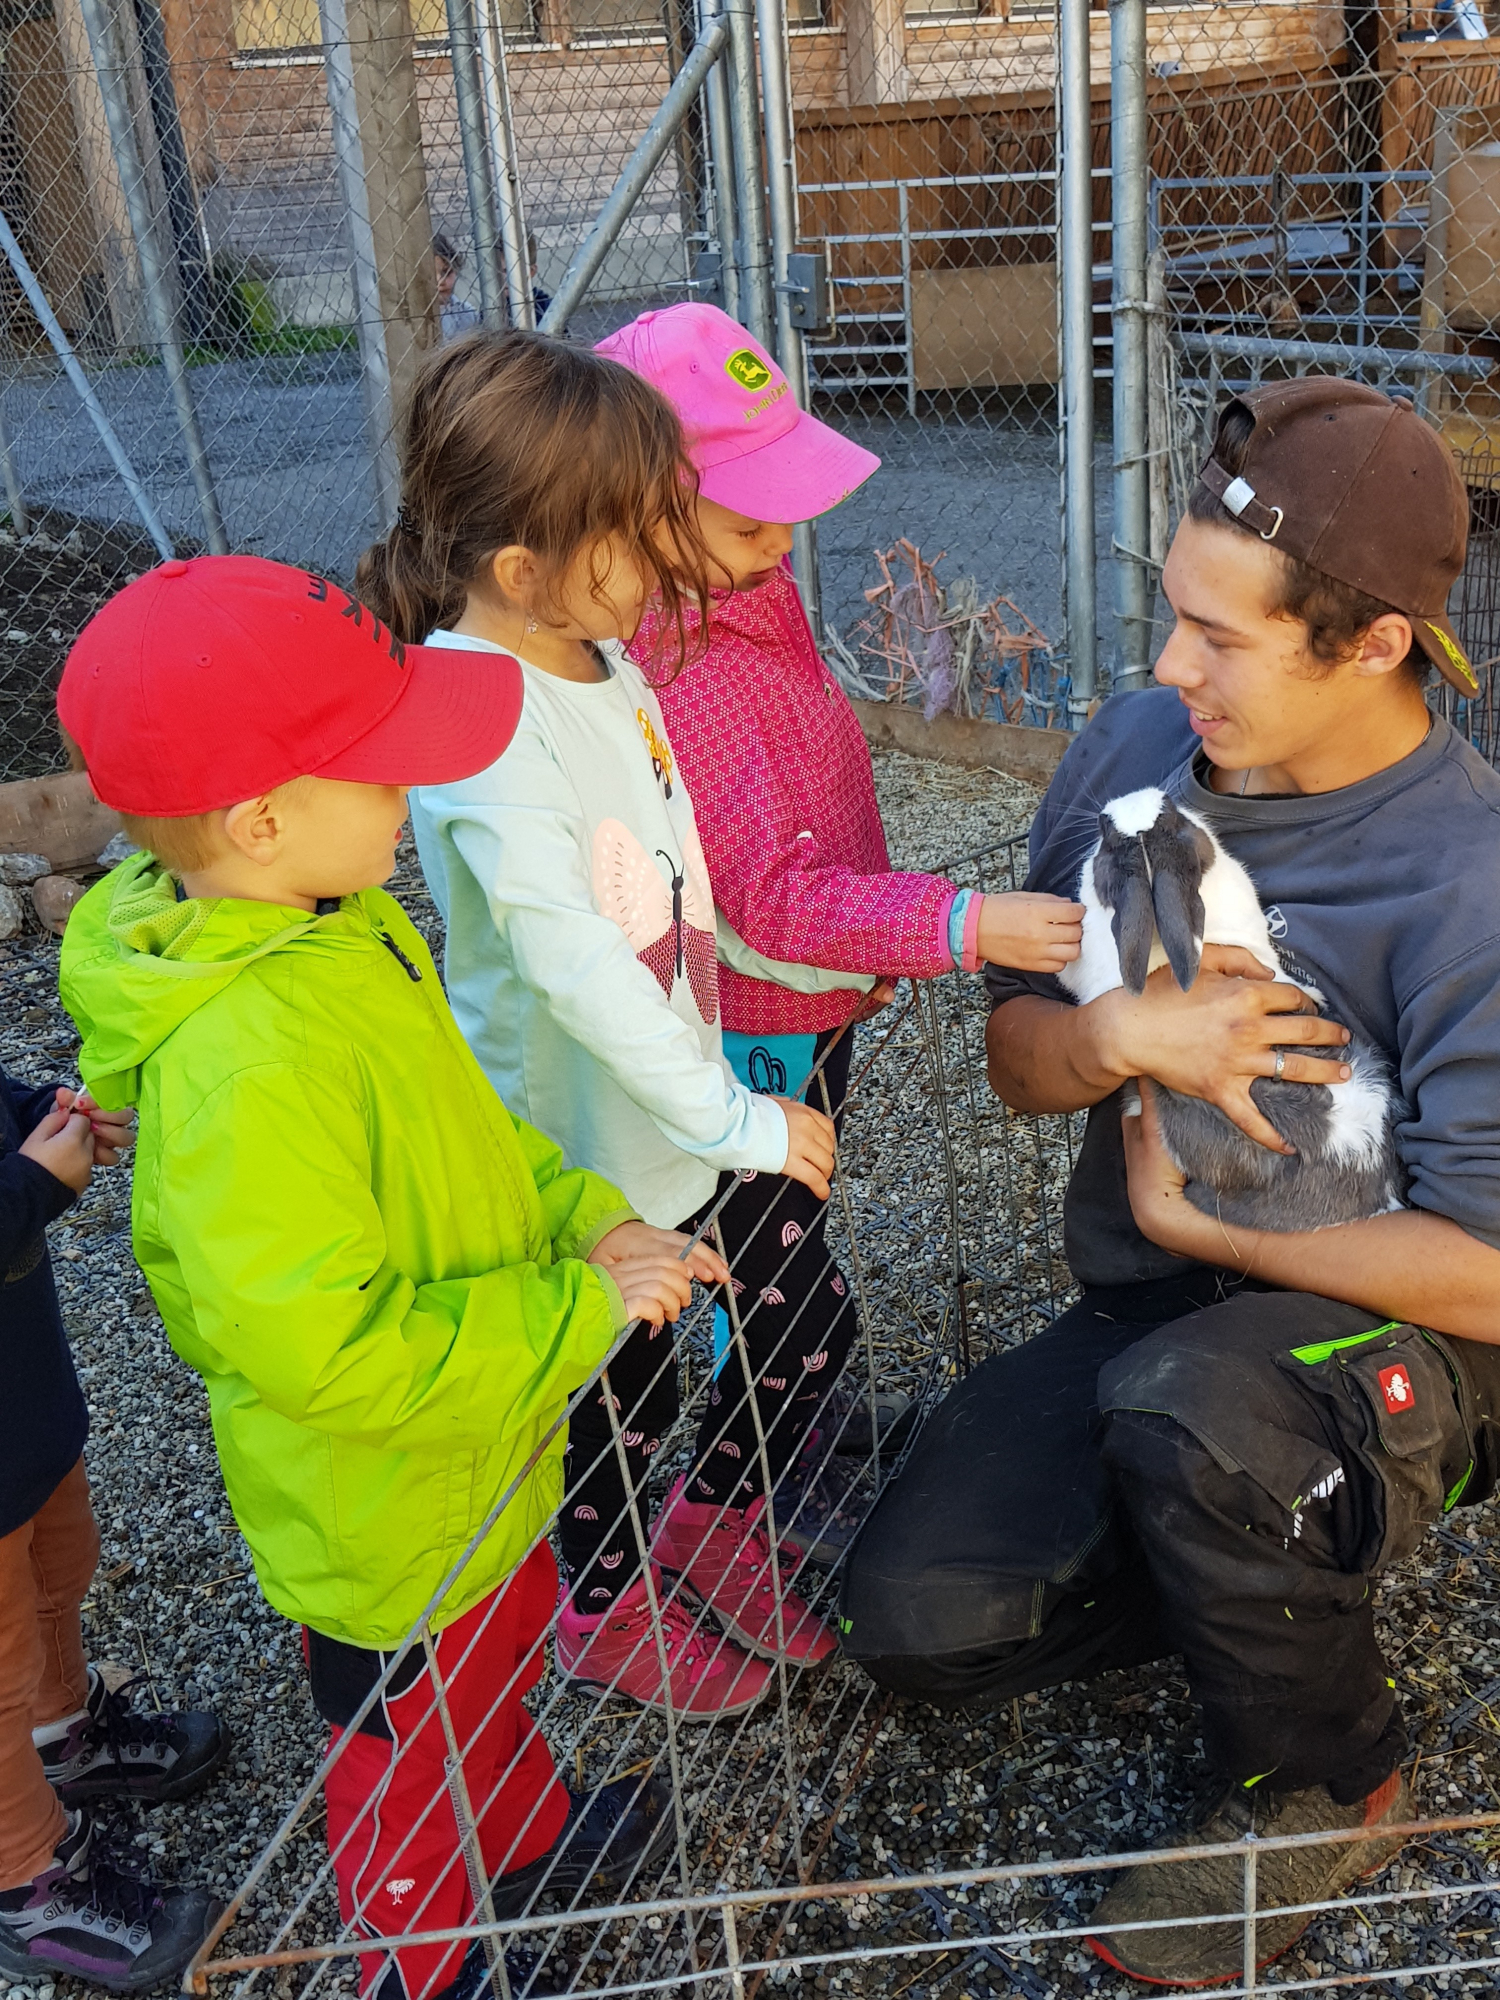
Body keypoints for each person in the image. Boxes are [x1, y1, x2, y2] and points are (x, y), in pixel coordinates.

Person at [839, 377, 1500, 1987]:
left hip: (1414, 1328)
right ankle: (1241, 1542)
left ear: (1373, 644)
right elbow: (1018, 1058)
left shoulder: (1468, 879)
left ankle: (1327, 1777)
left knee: (1199, 1411)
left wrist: (1201, 1224)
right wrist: (1110, 1036)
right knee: (915, 1621)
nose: (1163, 670)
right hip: (1157, 1306)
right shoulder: (1142, 749)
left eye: (1218, 637)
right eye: (1169, 614)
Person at [56, 554, 703, 2000]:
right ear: (262, 818)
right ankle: (418, 1962)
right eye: (383, 769)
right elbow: (326, 1350)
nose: (411, 795)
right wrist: (577, 1309)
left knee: (497, 1673)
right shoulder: (246, 1064)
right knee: (405, 1759)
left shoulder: (339, 917)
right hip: (391, 1506)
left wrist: (587, 1219)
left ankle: (522, 1839)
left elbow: (468, 1128)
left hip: (481, 1439)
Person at [362, 328, 842, 1719]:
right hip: (577, 1140)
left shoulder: (598, 654)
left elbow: (670, 869)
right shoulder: (482, 718)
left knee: (783, 1323)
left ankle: (698, 1527)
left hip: (663, 1098)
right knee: (615, 1392)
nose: (663, 555)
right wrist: (733, 1115)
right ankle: (600, 1605)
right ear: (526, 567)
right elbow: (571, 961)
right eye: (635, 533)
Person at [596, 303, 1085, 1555]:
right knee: (775, 1272)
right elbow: (768, 894)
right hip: (754, 1020)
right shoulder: (689, 670)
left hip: (805, 995)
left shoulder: (745, 598)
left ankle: (785, 1431)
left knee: (782, 1228)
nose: (783, 539)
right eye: (749, 518)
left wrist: (868, 947)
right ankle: (746, 1484)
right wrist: (956, 921)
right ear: (645, 510)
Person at [0, 1067, 225, 1994]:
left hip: (22, 1398)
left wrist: (41, 1111)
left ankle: (66, 1733)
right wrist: (29, 1186)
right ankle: (27, 1878)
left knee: (61, 1560)